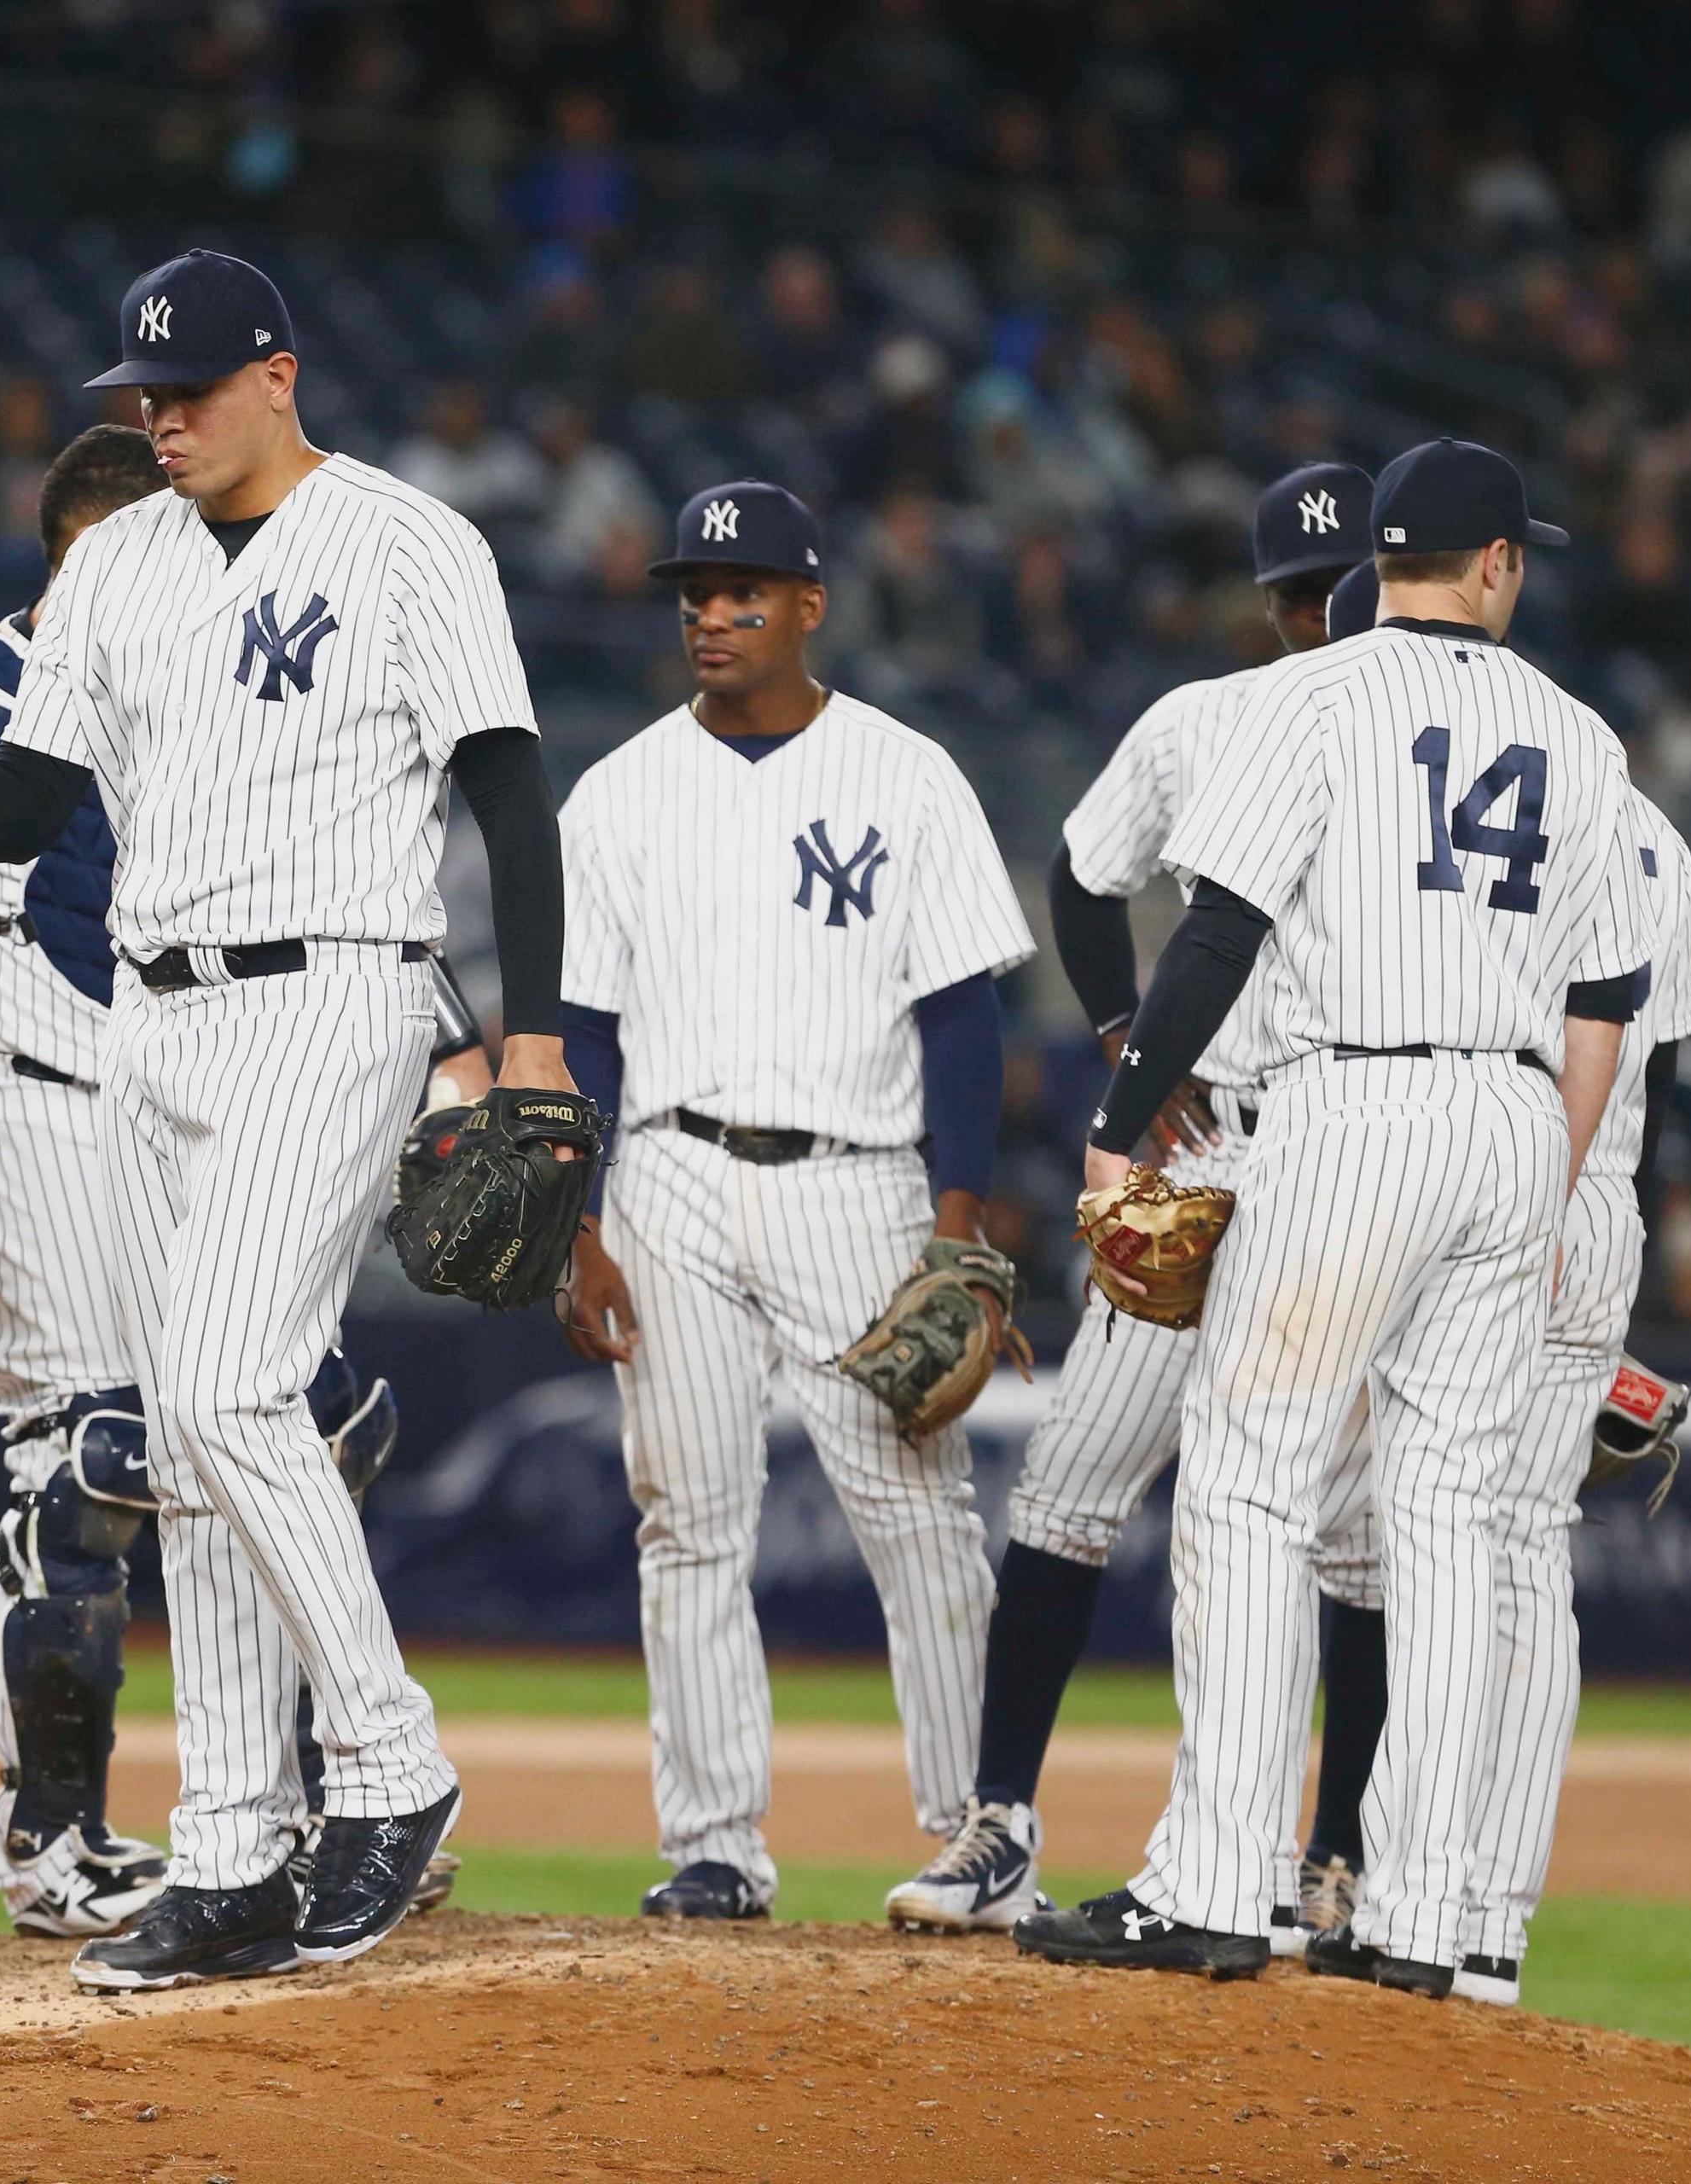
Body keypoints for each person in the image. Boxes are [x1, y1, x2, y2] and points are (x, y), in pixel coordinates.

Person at [0, 250, 572, 1989]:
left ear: (280, 376)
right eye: (140, 396)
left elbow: (515, 798)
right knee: (195, 1447)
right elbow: (21, 798)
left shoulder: (407, 540)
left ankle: (387, 1758)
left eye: (192, 390)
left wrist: (532, 1039)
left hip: (338, 991)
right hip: (153, 1015)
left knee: (227, 1384)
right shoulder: (116, 570)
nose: (160, 419)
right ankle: (228, 1852)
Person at [1015, 440, 1651, 1988]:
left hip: (1350, 1104)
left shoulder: (1312, 696)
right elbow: (1610, 1002)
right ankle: (1423, 1918)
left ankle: (1216, 1887)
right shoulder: (1585, 737)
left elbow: (1217, 930)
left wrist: (1116, 1130)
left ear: (1385, 557)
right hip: (1513, 1119)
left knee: (1249, 1483)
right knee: (1446, 1522)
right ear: (1497, 563)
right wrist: (1547, 1189)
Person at [882, 468, 1392, 1943]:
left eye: (1341, 584)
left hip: (1345, 1154)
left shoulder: (1422, 730)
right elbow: (1080, 871)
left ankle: (1332, 1856)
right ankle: (1000, 1824)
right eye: (1305, 592)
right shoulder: (1200, 723)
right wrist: (1121, 1042)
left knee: (1344, 1533)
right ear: (1280, 603)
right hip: (1201, 1151)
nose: (1320, 612)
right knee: (1067, 1493)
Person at [552, 481, 1032, 1920]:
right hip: (670, 1176)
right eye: (695, 591)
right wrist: (578, 1220)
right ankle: (715, 1844)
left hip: (859, 1183)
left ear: (810, 605)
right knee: (686, 1517)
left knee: (918, 1517)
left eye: (743, 589)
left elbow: (963, 1021)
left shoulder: (907, 776)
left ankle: (978, 1829)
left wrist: (959, 1219)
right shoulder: (621, 789)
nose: (711, 613)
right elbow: (581, 1030)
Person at [1460, 790, 1691, 2008]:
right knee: (1522, 1550)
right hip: (1595, 1195)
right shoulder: (1659, 831)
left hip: (1495, 1169)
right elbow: (1670, 1060)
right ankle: (1486, 1921)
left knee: (1449, 1540)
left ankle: (1427, 1897)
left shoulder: (1439, 770)